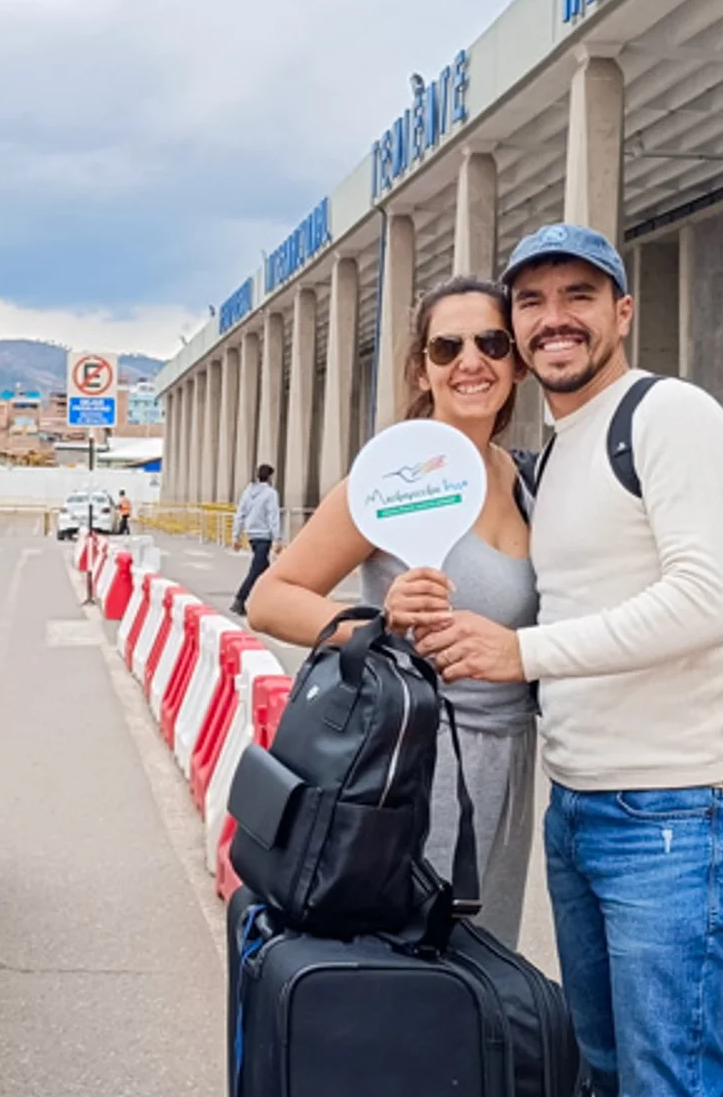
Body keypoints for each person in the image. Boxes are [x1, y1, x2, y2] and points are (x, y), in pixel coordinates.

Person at [416, 224, 723, 1097]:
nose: (555, 318)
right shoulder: (561, 448)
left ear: (623, 312)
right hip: (579, 805)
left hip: (677, 809)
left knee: (665, 1079)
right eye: (532, 302)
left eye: (579, 295)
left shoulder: (669, 415)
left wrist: (521, 652)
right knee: (602, 1072)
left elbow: (709, 601)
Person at [245, 276, 539, 947]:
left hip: (510, 760)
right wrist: (377, 623)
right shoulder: (394, 476)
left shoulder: (519, 477)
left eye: (492, 343)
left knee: (484, 962)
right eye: (447, 347)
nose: (471, 362)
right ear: (421, 368)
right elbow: (270, 597)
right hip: (416, 763)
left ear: (517, 362)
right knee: (413, 967)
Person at [229, 464, 280, 617]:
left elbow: (240, 514)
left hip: (251, 535)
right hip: (264, 536)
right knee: (256, 570)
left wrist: (236, 536)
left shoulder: (247, 492)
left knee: (267, 571)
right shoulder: (271, 494)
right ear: (270, 477)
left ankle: (271, 603)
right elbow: (273, 516)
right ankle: (240, 599)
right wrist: (277, 538)